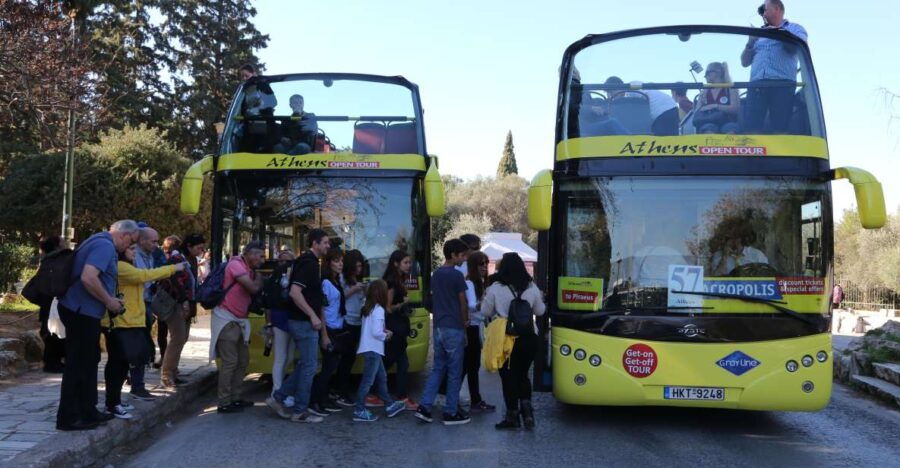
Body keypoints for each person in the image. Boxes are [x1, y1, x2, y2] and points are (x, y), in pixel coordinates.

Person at [56, 220, 138, 431]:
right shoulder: (104, 246)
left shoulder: (98, 241)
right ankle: (70, 417)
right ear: (123, 235)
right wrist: (109, 301)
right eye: (132, 241)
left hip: (82, 310)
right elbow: (88, 277)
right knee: (79, 363)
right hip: (81, 311)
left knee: (89, 360)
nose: (130, 246)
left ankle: (88, 410)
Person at [104, 244, 185, 419]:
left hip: (130, 321)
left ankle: (115, 401)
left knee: (124, 363)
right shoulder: (121, 266)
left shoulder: (126, 266)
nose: (134, 253)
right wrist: (173, 268)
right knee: (117, 364)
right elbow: (144, 276)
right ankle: (112, 403)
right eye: (131, 249)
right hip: (121, 322)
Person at [266, 229, 330, 423]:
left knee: (306, 365)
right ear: (315, 243)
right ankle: (300, 410)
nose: (328, 245)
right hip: (303, 322)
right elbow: (295, 292)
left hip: (301, 321)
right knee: (310, 366)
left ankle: (278, 397)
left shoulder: (307, 263)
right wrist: (313, 316)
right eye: (325, 242)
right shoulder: (309, 264)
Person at [481, 253, 546, 430]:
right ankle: (527, 412)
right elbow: (540, 312)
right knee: (523, 375)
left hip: (506, 339)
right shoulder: (532, 287)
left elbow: (485, 312)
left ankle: (512, 417)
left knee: (508, 377)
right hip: (529, 338)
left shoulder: (495, 288)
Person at [415, 239, 471, 425]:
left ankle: (425, 406)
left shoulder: (436, 274)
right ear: (453, 255)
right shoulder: (456, 276)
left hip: (438, 326)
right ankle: (450, 411)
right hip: (453, 326)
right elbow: (462, 301)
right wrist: (465, 323)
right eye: (462, 255)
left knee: (438, 368)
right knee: (455, 371)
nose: (464, 259)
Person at [210, 241, 264, 413]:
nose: (261, 259)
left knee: (243, 361)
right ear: (249, 254)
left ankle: (236, 397)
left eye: (262, 256)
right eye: (259, 255)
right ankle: (224, 402)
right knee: (230, 362)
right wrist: (261, 277)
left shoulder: (248, 269)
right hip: (226, 320)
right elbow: (253, 288)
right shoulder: (236, 265)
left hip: (239, 321)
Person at [740, 0, 808, 134]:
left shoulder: (795, 28)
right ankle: (754, 155)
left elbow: (795, 48)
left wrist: (777, 32)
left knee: (780, 127)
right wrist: (749, 43)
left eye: (765, 10)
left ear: (777, 9)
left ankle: (780, 154)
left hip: (782, 85)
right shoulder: (759, 33)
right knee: (752, 128)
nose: (763, 14)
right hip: (757, 85)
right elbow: (744, 62)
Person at [351, 280, 408, 422]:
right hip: (374, 349)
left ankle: (389, 405)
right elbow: (376, 332)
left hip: (369, 348)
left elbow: (372, 328)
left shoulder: (367, 306)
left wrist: (383, 330)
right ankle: (359, 409)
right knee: (368, 381)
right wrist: (386, 335)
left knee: (382, 378)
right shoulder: (379, 310)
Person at [373, 250, 417, 410]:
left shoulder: (399, 279)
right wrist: (403, 303)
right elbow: (387, 308)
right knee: (397, 362)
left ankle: (381, 393)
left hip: (398, 327)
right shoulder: (391, 281)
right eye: (405, 262)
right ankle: (398, 396)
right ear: (396, 263)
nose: (409, 265)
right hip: (394, 327)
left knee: (397, 362)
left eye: (409, 262)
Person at [309, 249, 351, 416]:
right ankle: (315, 401)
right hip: (330, 329)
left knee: (332, 366)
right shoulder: (325, 283)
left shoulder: (336, 281)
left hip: (338, 327)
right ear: (328, 263)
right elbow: (322, 310)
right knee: (328, 367)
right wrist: (324, 335)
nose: (340, 263)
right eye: (336, 260)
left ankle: (324, 398)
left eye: (341, 260)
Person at [157, 235, 194, 388]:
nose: (202, 251)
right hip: (176, 303)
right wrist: (184, 301)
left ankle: (173, 371)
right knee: (178, 338)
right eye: (198, 247)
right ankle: (166, 375)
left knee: (182, 338)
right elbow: (176, 282)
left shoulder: (186, 258)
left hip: (184, 303)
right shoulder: (176, 259)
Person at [130, 227, 162, 400]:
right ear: (141, 240)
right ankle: (137, 385)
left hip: (146, 303)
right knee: (140, 346)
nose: (156, 245)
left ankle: (136, 381)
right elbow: (143, 277)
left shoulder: (150, 255)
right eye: (153, 241)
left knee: (143, 344)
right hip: (135, 305)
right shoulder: (133, 255)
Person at [334, 249, 367, 406]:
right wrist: (354, 289)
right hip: (346, 321)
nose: (359, 269)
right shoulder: (341, 278)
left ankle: (340, 390)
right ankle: (341, 391)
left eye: (361, 266)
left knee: (350, 358)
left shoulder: (357, 279)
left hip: (357, 321)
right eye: (356, 266)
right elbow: (338, 298)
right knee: (346, 359)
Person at [463, 251, 495, 412]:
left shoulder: (482, 282)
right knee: (470, 366)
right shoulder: (469, 283)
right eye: (481, 264)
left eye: (486, 263)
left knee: (470, 366)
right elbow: (471, 306)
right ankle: (474, 400)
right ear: (473, 266)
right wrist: (485, 300)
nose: (484, 267)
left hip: (477, 327)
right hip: (471, 328)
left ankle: (474, 399)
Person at [266, 250, 295, 404]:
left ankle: (282, 389)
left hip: (294, 320)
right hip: (279, 320)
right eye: (280, 262)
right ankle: (276, 392)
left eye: (287, 262)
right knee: (280, 358)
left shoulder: (295, 277)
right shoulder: (274, 279)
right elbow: (268, 304)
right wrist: (269, 323)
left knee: (289, 357)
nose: (283, 265)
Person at [606, 76, 679, 136]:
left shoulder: (631, 87)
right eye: (608, 93)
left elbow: (644, 100)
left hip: (663, 111)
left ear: (618, 87)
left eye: (611, 92)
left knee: (660, 143)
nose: (610, 96)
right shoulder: (629, 94)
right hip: (670, 109)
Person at [36, 235, 66, 373]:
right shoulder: (55, 260)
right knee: (53, 332)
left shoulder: (47, 260)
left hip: (48, 301)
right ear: (57, 245)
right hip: (52, 301)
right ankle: (52, 363)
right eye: (62, 241)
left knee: (52, 332)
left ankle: (53, 361)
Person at [154, 235, 181, 370]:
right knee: (163, 330)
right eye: (166, 249)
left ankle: (168, 359)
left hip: (173, 298)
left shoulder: (177, 258)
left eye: (169, 249)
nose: (167, 251)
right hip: (164, 297)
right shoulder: (161, 256)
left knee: (172, 332)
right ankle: (164, 356)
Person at [694, 62, 741, 134]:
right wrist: (701, 105)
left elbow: (735, 109)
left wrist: (715, 106)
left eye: (707, 72)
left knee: (731, 130)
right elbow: (697, 111)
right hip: (709, 121)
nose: (705, 76)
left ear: (717, 73)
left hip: (728, 121)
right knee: (709, 130)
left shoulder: (730, 89)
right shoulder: (704, 91)